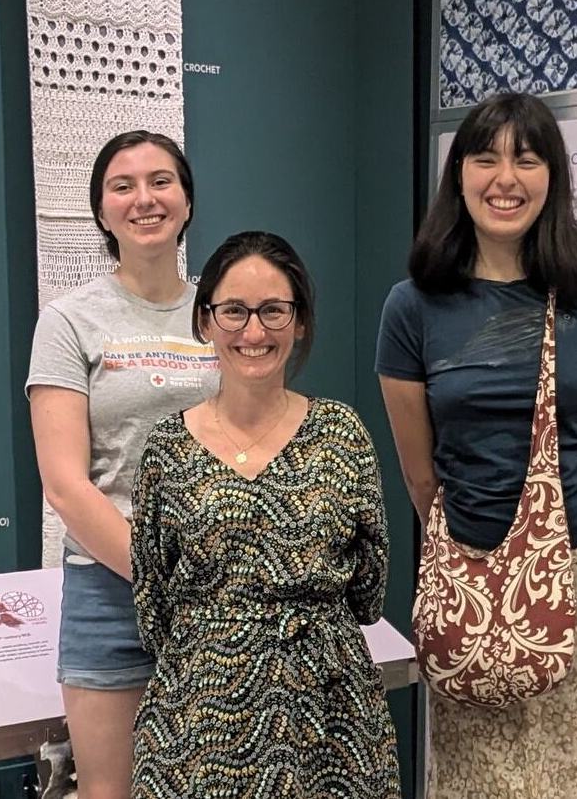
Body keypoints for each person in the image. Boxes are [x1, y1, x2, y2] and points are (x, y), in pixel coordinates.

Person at [374, 92, 577, 797]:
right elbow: (420, 475)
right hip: (468, 576)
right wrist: (484, 540)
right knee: (484, 780)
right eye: (485, 158)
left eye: (526, 160)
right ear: (459, 176)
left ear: (551, 177)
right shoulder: (411, 307)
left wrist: (547, 530)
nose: (505, 178)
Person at [131, 232, 399, 799]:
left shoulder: (342, 436)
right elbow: (151, 601)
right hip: (197, 727)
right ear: (205, 322)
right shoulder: (166, 450)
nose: (253, 332)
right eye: (233, 312)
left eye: (273, 311)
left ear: (299, 321)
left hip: (332, 719)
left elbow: (371, 589)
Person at [26, 131, 219, 799]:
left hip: (219, 585)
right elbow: (64, 482)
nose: (145, 198)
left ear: (187, 201)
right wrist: (157, 573)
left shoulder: (223, 316)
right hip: (109, 591)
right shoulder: (68, 321)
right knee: (109, 791)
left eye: (161, 181)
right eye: (123, 185)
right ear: (102, 211)